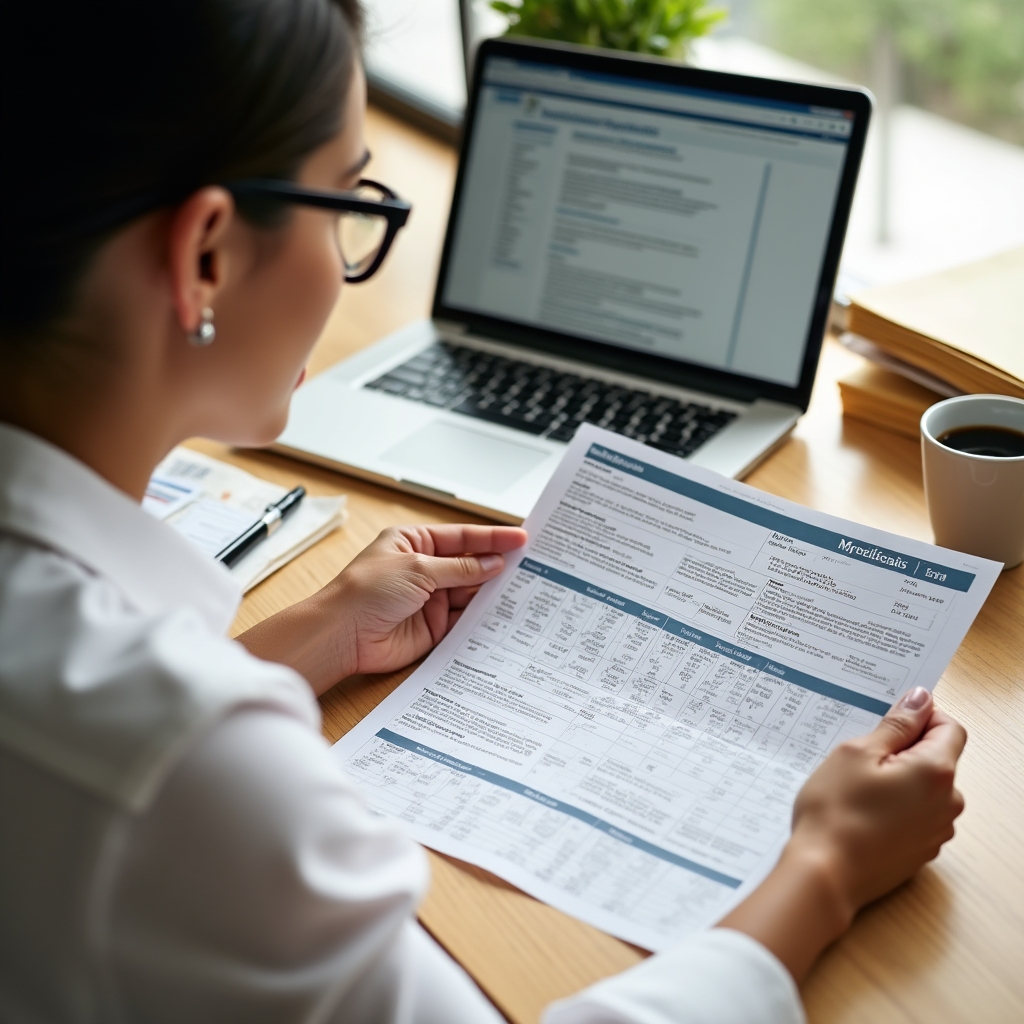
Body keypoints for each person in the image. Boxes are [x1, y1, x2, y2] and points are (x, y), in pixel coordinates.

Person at [0, 2, 967, 1022]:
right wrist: (822, 863)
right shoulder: (191, 767)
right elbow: (149, 771)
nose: (345, 251)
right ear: (205, 254)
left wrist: (315, 631)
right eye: (343, 204)